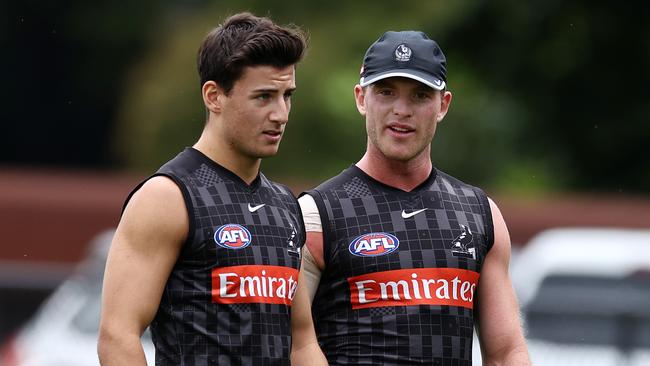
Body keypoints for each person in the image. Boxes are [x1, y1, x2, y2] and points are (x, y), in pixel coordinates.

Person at [290, 31, 530, 365]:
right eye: (386, 92)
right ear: (361, 98)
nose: (401, 110)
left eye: (419, 95)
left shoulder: (479, 214)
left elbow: (507, 354)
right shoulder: (315, 215)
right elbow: (291, 345)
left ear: (442, 105)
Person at [98, 12, 307, 365]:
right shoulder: (167, 197)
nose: (281, 113)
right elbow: (117, 336)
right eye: (264, 97)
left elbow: (302, 343)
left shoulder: (286, 205)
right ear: (214, 96)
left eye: (287, 95)